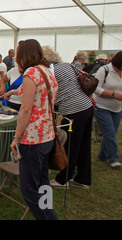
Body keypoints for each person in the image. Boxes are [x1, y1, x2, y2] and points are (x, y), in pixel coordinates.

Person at [9, 39, 59, 220]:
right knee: (43, 183)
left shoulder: (31, 72)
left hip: (33, 138)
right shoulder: (47, 71)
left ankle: (47, 217)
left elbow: (26, 109)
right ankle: (50, 214)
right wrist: (12, 92)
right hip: (47, 136)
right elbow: (34, 94)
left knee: (29, 189)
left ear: (24, 55)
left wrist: (16, 137)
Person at [42, 46, 94, 189]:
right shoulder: (67, 66)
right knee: (84, 144)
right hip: (86, 106)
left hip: (73, 110)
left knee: (70, 146)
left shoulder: (50, 72)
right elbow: (84, 77)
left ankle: (63, 179)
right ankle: (83, 178)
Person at [93, 51, 122, 169]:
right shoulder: (104, 70)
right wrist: (113, 94)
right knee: (109, 133)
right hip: (101, 106)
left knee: (111, 133)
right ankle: (114, 159)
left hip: (117, 108)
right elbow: (96, 88)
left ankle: (102, 155)